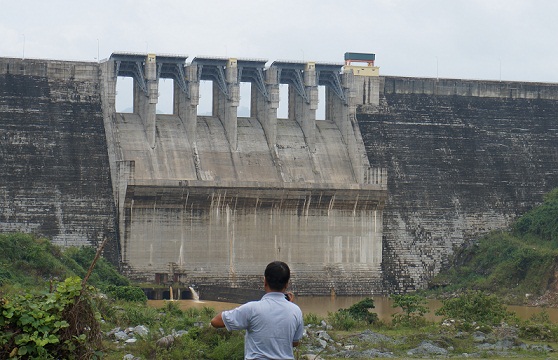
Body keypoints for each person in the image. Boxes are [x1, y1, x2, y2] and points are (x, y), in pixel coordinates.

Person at [211, 261, 304, 360]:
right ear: (287, 284)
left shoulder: (252, 309)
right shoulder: (296, 311)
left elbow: (215, 321)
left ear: (264, 281)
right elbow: (294, 342)